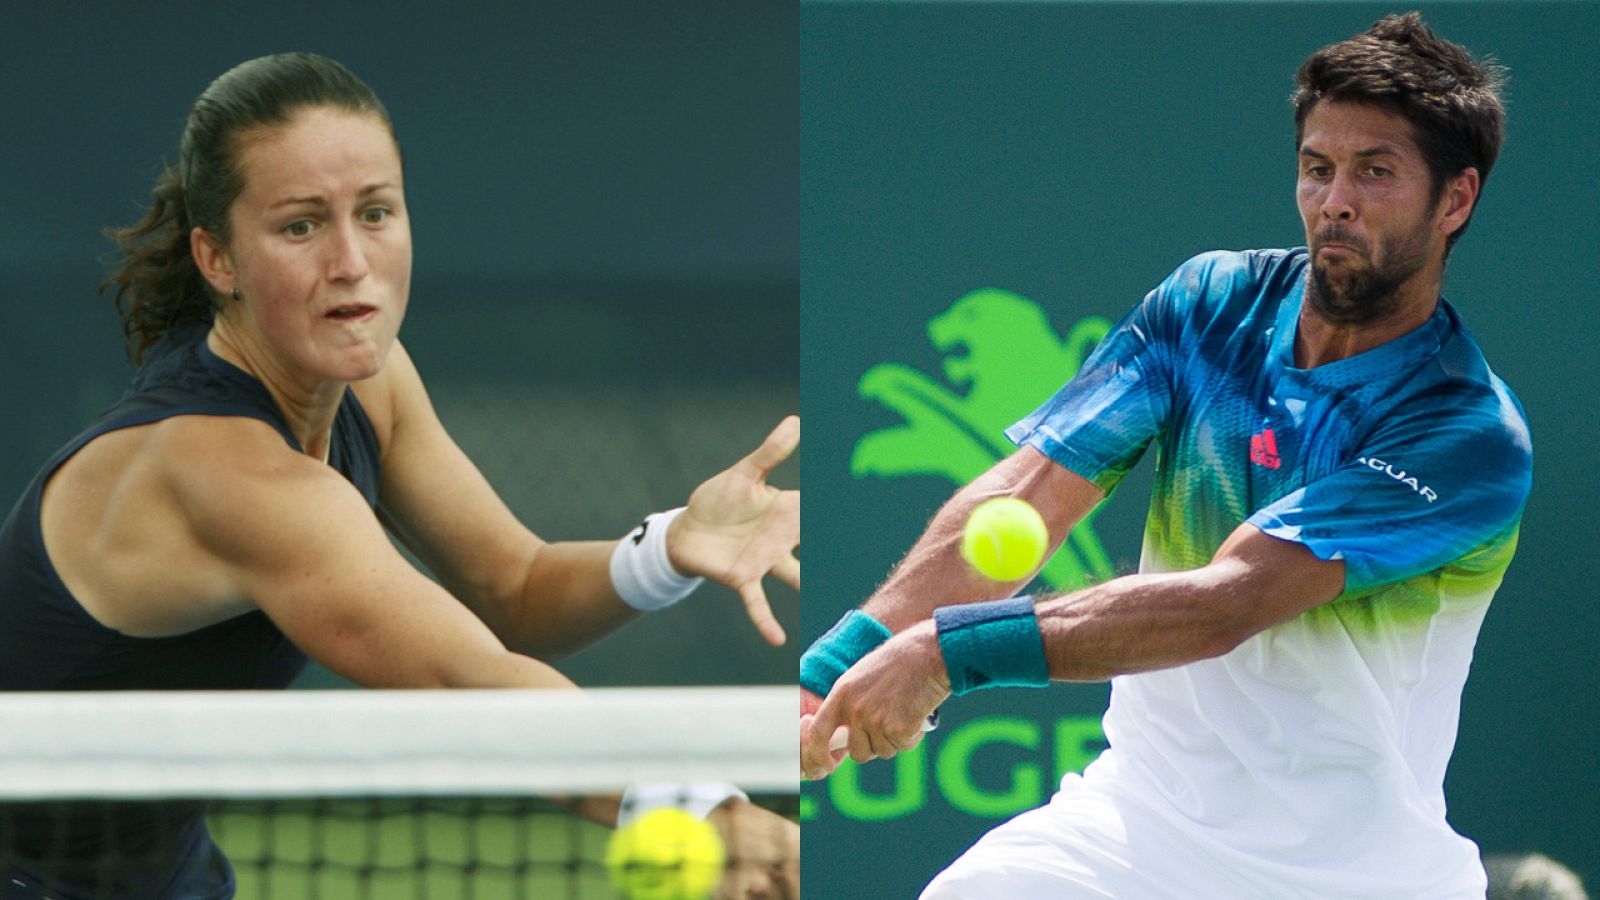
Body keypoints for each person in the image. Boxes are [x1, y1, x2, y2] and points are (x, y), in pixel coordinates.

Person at [0, 53, 798, 899]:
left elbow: (514, 588)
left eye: (375, 212)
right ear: (217, 258)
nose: (351, 261)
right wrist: (703, 813)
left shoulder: (369, 384)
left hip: (159, 875)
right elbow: (464, 680)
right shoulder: (223, 472)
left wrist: (667, 547)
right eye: (301, 227)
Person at [800, 12, 1527, 899]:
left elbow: (1226, 603)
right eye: (1317, 167)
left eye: (1375, 172)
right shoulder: (1210, 304)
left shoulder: (1464, 431)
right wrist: (830, 671)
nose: (1335, 200)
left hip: (1354, 874)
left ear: (1454, 200)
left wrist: (942, 654)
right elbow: (1031, 497)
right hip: (1136, 825)